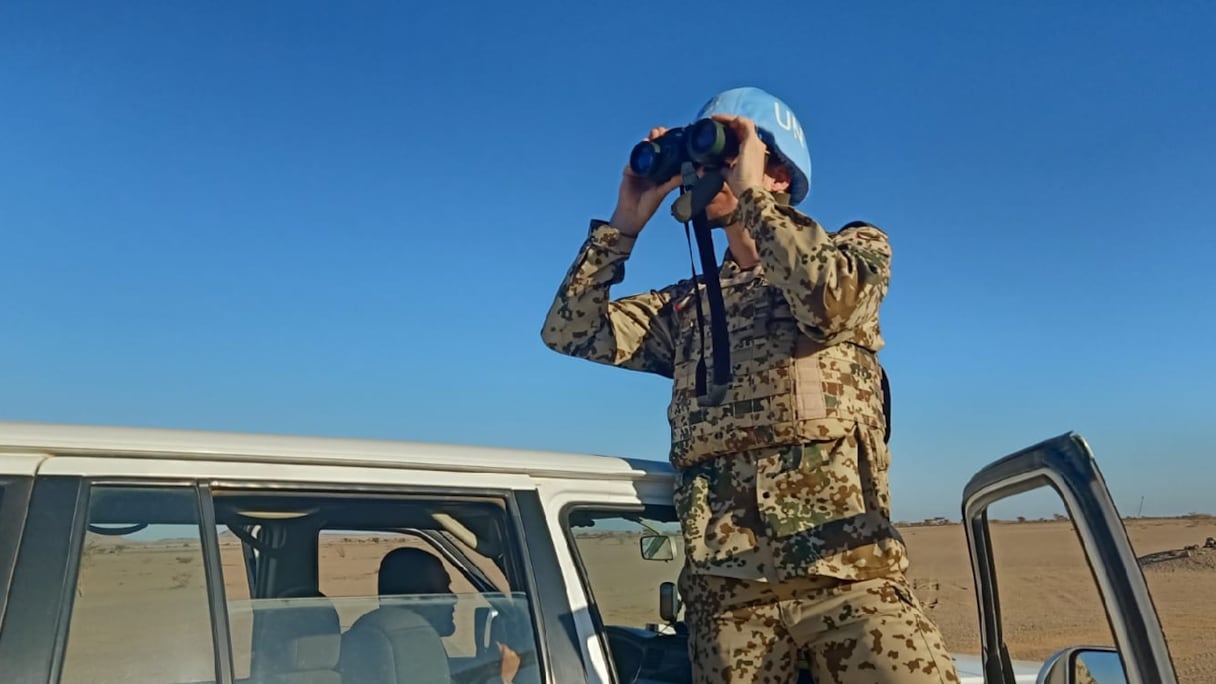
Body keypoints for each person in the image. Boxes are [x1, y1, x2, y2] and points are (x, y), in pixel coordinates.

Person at [540, 86, 960, 684]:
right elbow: (569, 331)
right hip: (727, 596)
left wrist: (754, 196)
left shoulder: (854, 249)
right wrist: (624, 223)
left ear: (778, 173)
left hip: (848, 573)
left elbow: (829, 301)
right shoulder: (684, 309)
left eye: (721, 158)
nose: (699, 175)